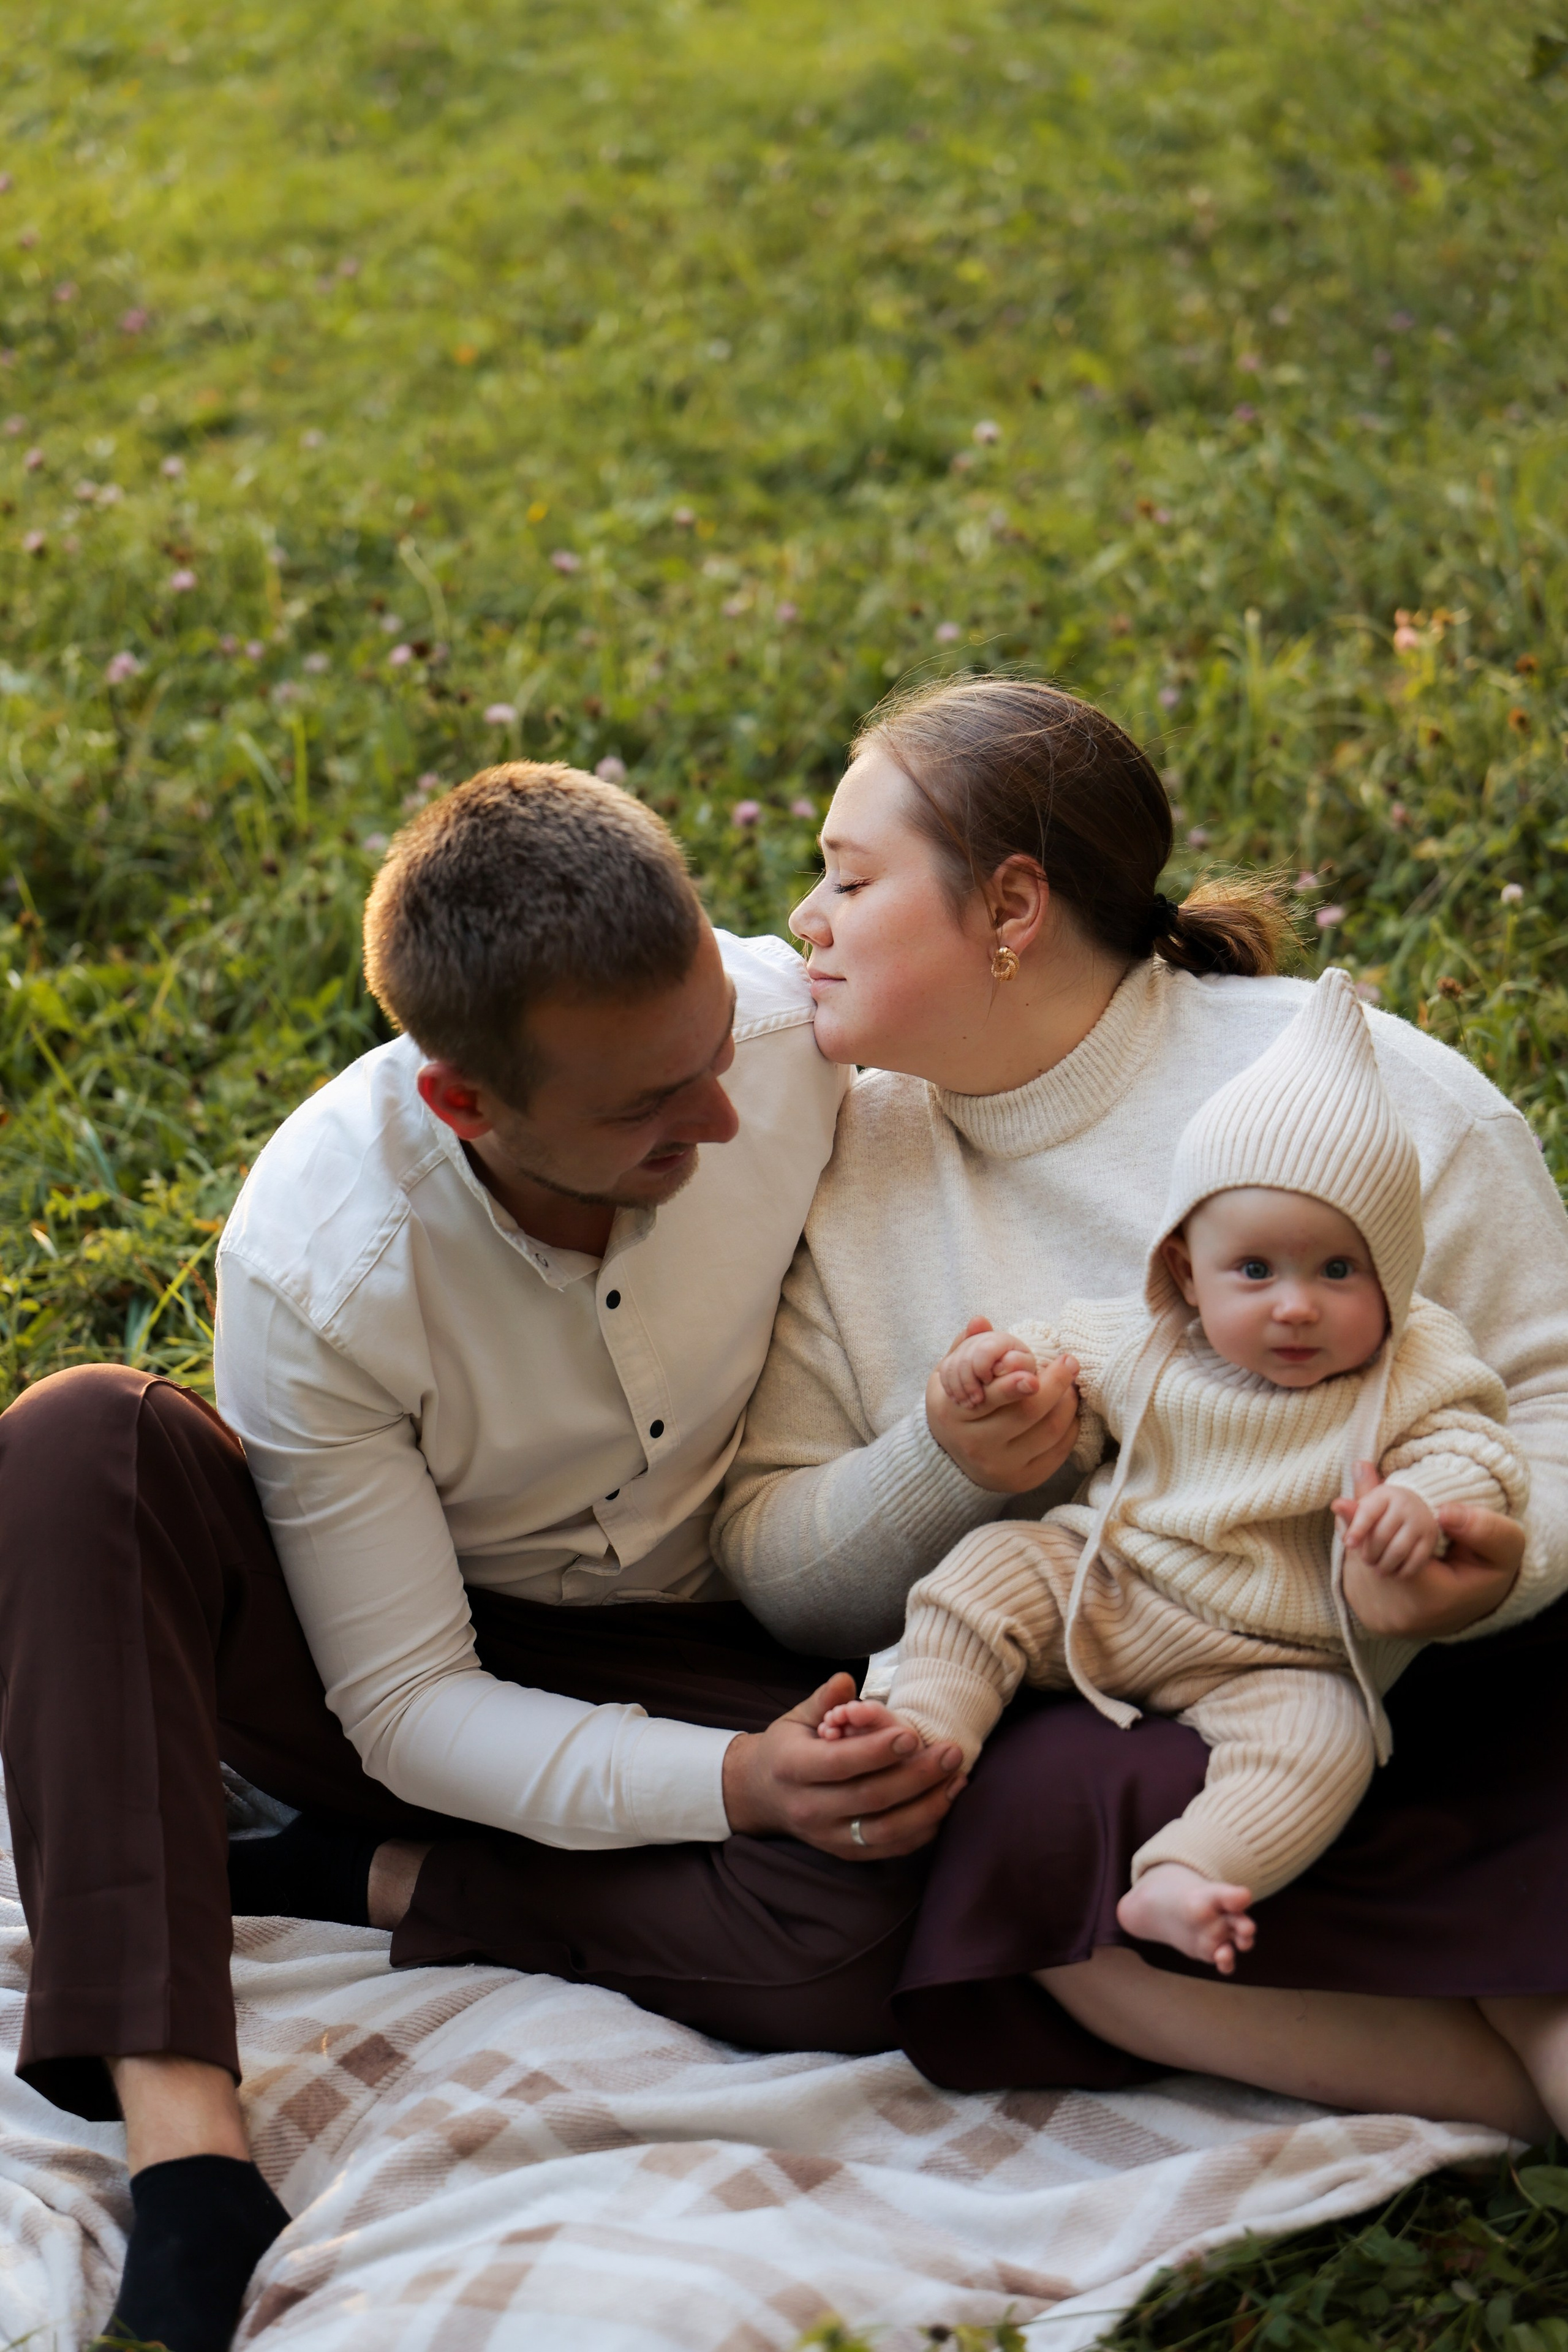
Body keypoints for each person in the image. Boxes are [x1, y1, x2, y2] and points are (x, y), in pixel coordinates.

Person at [0, 764, 968, 2352]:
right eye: (649, 1109)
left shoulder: (793, 1037)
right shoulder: (329, 1255)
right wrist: (728, 1790)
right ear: (466, 1101)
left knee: (870, 1934)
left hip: (720, 1617)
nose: (720, 1116)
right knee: (80, 1438)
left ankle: (350, 1876)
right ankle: (187, 2156)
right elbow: (408, 1703)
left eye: (713, 1052)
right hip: (384, 1655)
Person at [714, 672, 1568, 2143]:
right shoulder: (844, 1162)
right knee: (1032, 1846)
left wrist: (1475, 1563)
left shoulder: (1360, 1107)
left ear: (1009, 910)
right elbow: (769, 1559)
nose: (806, 919)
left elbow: (1545, 1411)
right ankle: (1492, 2079)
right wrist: (944, 1463)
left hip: (1433, 1676)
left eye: (848, 879)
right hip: (1140, 1683)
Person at [819, 967, 1529, 1974]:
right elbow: (1053, 1379)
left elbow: (1475, 1452)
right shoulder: (1149, 1341)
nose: (1295, 1306)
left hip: (1283, 1648)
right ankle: (922, 1728)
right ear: (1187, 1270)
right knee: (990, 1569)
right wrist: (998, 1383)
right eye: (1256, 1271)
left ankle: (1190, 1875)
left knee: (1325, 1743)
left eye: (1339, 1270)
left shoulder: (1414, 1367)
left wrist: (1423, 1504)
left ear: (1395, 1280)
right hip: (1110, 1589)